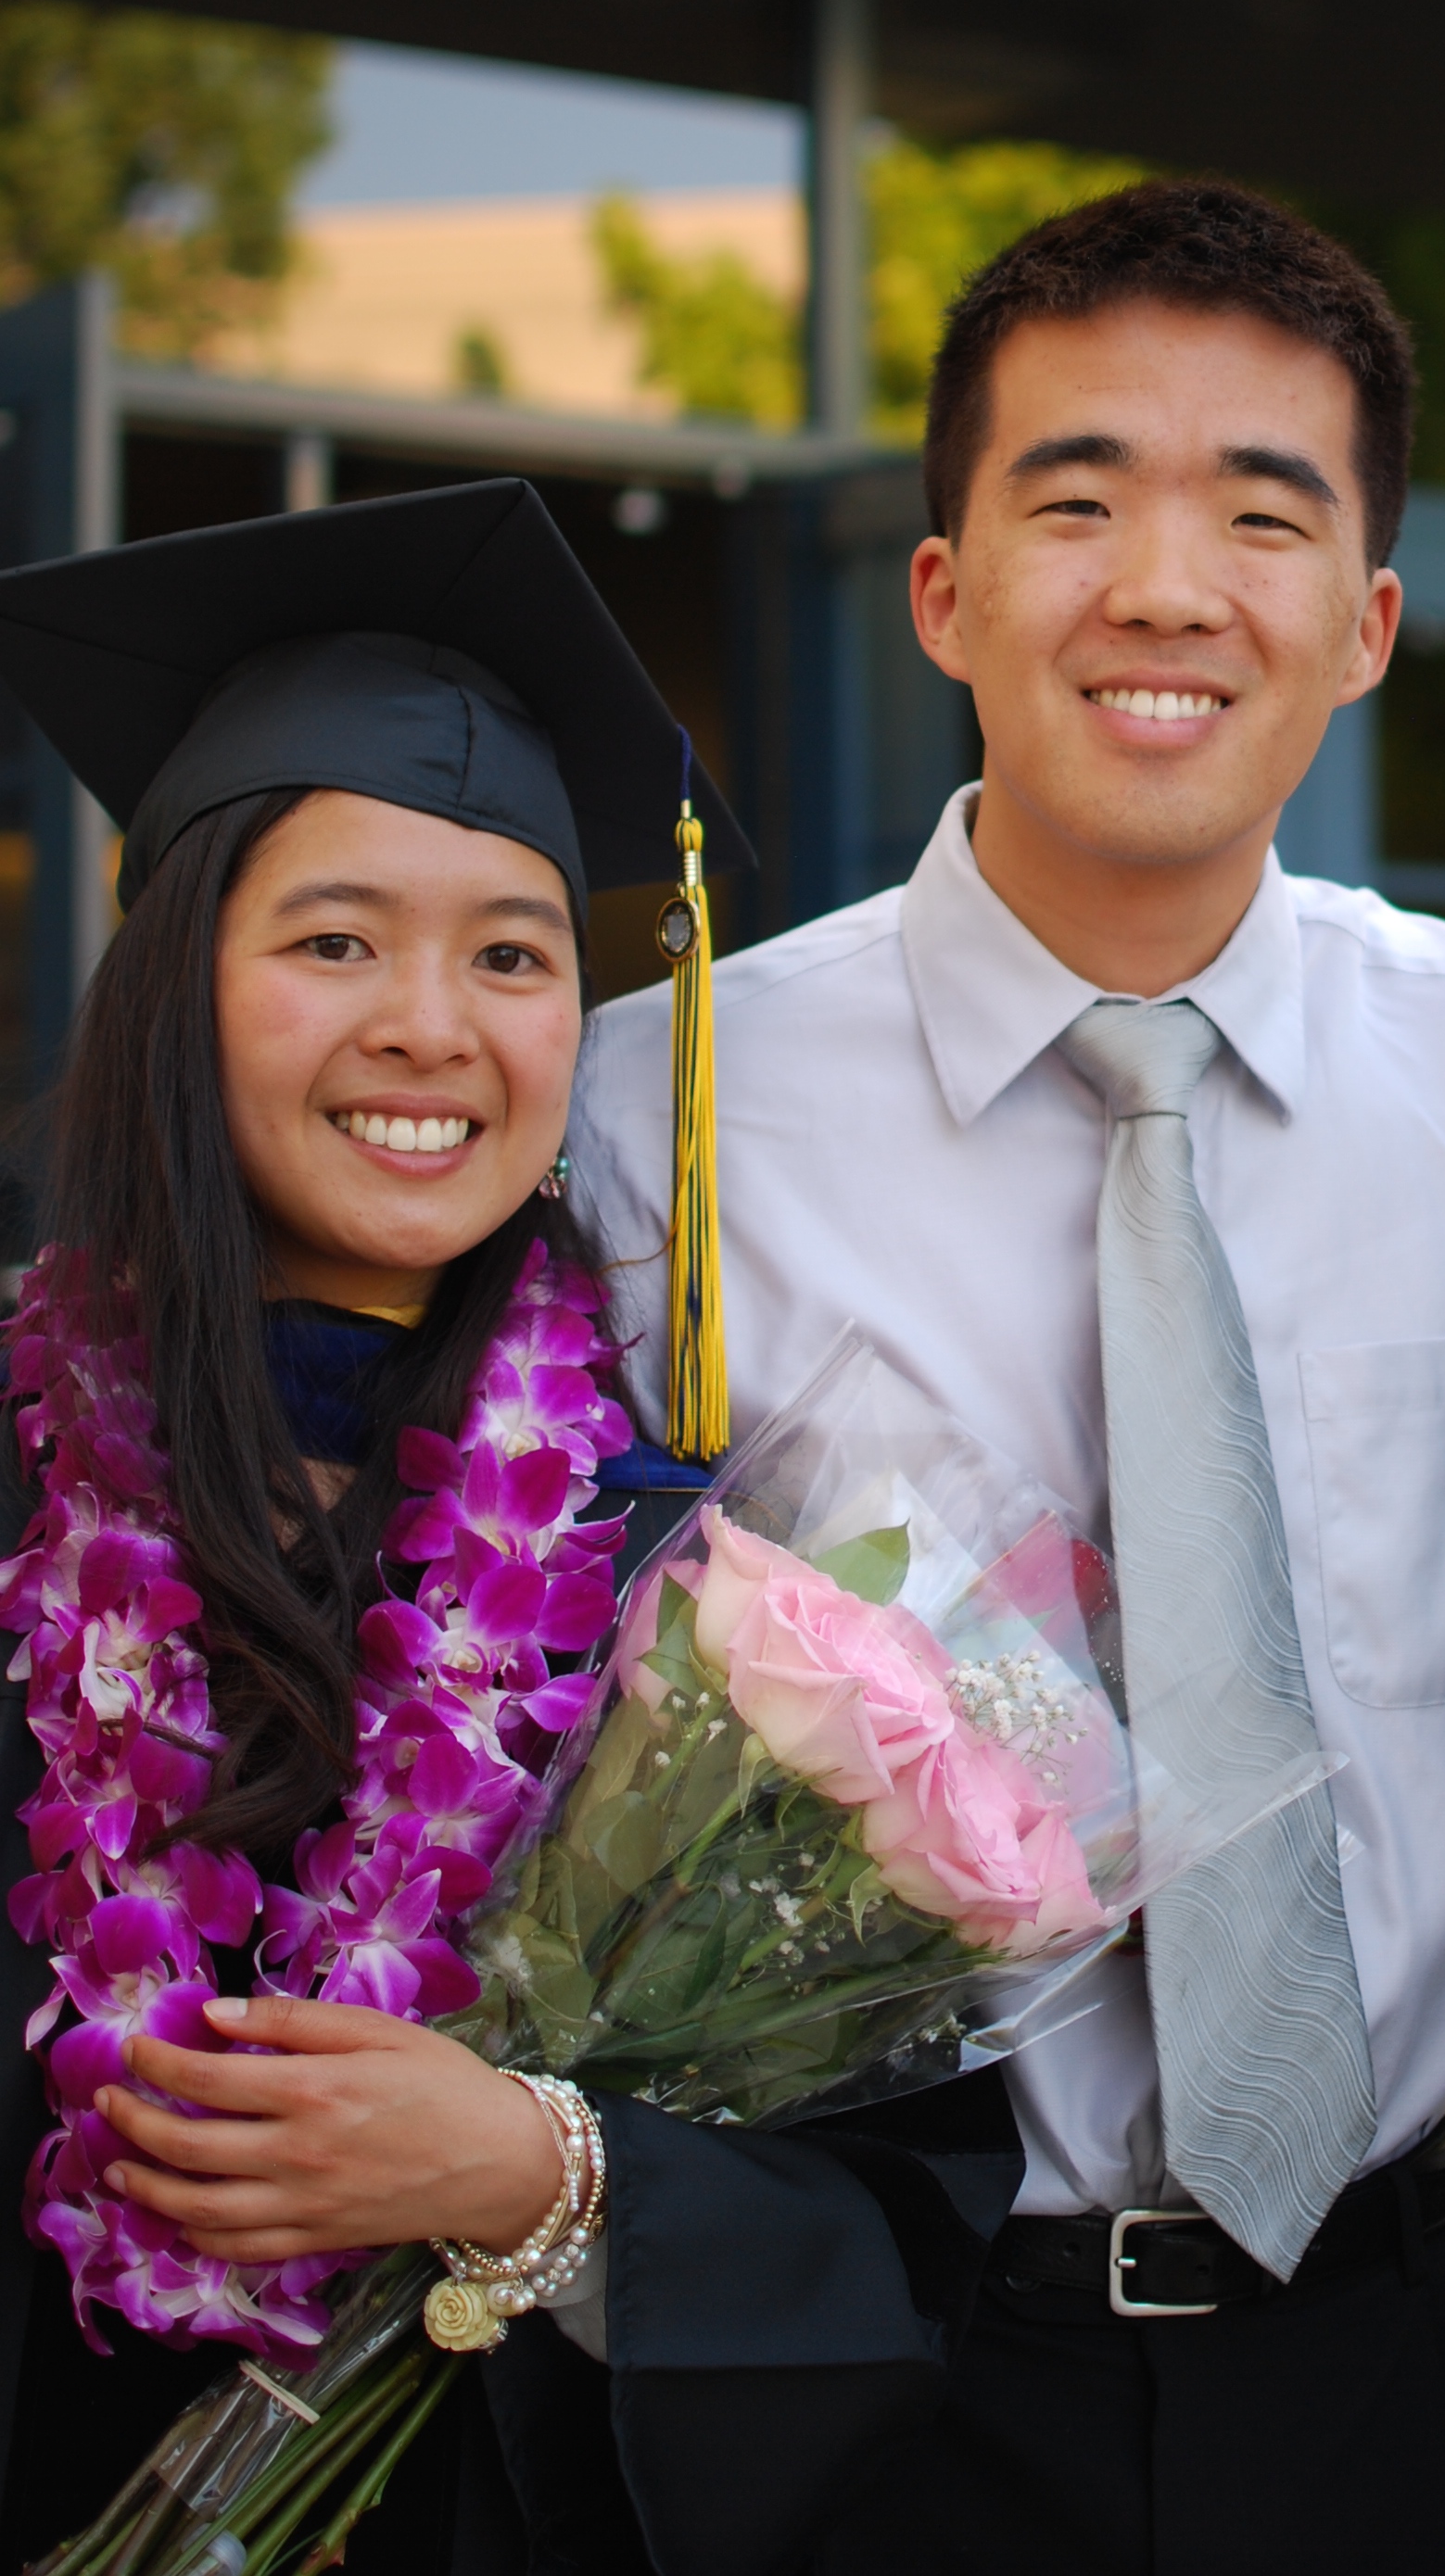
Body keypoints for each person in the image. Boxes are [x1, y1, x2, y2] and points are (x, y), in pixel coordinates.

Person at [571, 177, 1445, 2576]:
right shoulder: (654, 1122)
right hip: (878, 2385)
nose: (1168, 587)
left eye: (1263, 513)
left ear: (1367, 627)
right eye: (1079, 500)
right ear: (943, 589)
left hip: (1404, 2366)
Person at [0, 477, 1022, 2576]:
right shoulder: (21, 1487)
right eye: (334, 940)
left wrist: (544, 2172)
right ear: (178, 969)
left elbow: (908, 2203)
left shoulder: (690, 1588)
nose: (432, 1029)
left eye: (514, 955)